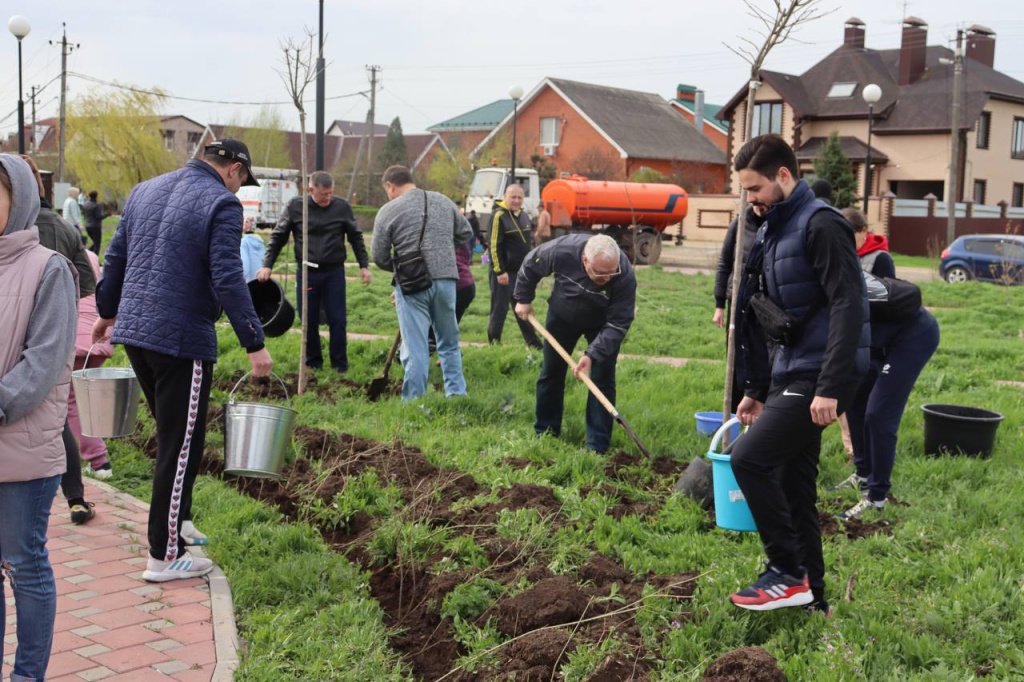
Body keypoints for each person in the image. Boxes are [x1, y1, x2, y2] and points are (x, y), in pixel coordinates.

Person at [94, 138, 273, 582]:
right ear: (234, 169)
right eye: (242, 181)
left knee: (183, 435)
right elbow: (229, 276)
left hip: (136, 334)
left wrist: (106, 313)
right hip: (180, 339)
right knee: (177, 443)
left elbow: (115, 258)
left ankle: (181, 522)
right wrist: (255, 341)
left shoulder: (145, 189)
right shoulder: (222, 204)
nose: (239, 190)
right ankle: (164, 554)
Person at [728, 135, 869, 615]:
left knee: (747, 459)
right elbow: (773, 318)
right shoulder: (776, 229)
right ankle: (816, 601)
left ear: (784, 176)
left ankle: (786, 572)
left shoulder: (821, 224)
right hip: (792, 371)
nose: (751, 199)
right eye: (746, 191)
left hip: (819, 374)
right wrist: (758, 389)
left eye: (755, 189)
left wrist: (831, 386)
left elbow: (849, 302)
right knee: (794, 489)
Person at [0, 153, 79, 682]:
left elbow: (44, 363)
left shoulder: (49, 269)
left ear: (19, 198)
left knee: (24, 565)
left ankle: (28, 676)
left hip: (24, 453)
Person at [831, 209, 938, 519]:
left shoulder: (862, 270)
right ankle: (862, 473)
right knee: (855, 398)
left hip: (912, 336)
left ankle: (877, 496)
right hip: (876, 340)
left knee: (879, 413)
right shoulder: (831, 271)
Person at [21, 155, 101, 524]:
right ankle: (76, 498)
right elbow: (87, 283)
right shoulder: (65, 227)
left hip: (14, 335)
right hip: (56, 333)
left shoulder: (11, 227)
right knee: (57, 415)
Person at [514, 234, 637, 454]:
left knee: (602, 379)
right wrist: (523, 298)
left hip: (603, 324)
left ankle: (596, 445)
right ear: (585, 262)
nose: (607, 278)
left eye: (612, 272)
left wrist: (592, 354)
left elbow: (619, 323)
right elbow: (530, 264)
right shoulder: (562, 251)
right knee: (551, 372)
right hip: (562, 316)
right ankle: (546, 432)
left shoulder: (624, 273)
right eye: (600, 273)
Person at [371, 165, 472, 400]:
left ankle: (414, 401)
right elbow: (465, 232)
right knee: (449, 342)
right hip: (447, 280)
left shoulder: (388, 210)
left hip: (411, 283)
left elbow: (379, 255)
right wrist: (444, 247)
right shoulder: (444, 202)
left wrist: (397, 266)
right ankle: (457, 394)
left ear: (390, 186)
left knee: (415, 346)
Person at [256, 171, 371, 373]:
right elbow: (278, 236)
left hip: (334, 272)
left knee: (338, 319)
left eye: (331, 193)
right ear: (311, 190)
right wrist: (267, 264)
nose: (328, 198)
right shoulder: (296, 207)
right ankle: (313, 362)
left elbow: (356, 238)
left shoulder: (342, 207)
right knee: (309, 320)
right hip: (307, 272)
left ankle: (339, 365)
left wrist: (364, 265)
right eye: (324, 194)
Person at [712, 205, 764, 413]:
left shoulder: (778, 224)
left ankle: (761, 410)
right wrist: (719, 304)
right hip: (738, 302)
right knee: (736, 360)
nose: (757, 204)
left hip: (766, 305)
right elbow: (725, 262)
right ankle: (735, 414)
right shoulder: (740, 223)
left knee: (761, 359)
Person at [488, 184, 542, 349]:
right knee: (500, 309)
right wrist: (499, 271)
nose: (517, 200)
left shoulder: (524, 216)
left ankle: (534, 345)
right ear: (506, 197)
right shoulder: (498, 216)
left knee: (523, 308)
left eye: (519, 197)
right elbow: (493, 245)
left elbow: (528, 245)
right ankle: (494, 344)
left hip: (520, 273)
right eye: (513, 197)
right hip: (503, 273)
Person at [844, 208, 895, 278]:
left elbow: (887, 287)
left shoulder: (881, 258)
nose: (845, 239)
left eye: (849, 234)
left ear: (864, 230)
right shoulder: (838, 254)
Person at [240, 217, 266, 282]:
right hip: (261, 279)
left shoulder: (244, 242)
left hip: (249, 281)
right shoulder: (260, 242)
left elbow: (245, 265)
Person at [82, 190, 106, 255]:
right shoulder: (96, 205)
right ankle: (95, 259)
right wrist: (107, 215)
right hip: (95, 227)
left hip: (87, 226)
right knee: (97, 244)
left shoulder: (85, 204)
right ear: (96, 196)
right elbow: (98, 217)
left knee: (95, 243)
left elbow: (83, 214)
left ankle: (87, 254)